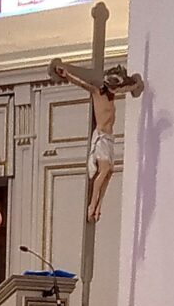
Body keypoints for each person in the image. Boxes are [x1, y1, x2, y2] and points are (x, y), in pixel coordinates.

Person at [49, 59, 144, 222]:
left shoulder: (112, 95)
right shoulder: (97, 93)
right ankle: (92, 205)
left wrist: (136, 84)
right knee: (104, 170)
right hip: (101, 137)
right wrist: (67, 75)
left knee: (110, 171)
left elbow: (127, 87)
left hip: (109, 138)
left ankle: (99, 206)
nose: (115, 89)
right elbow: (82, 83)